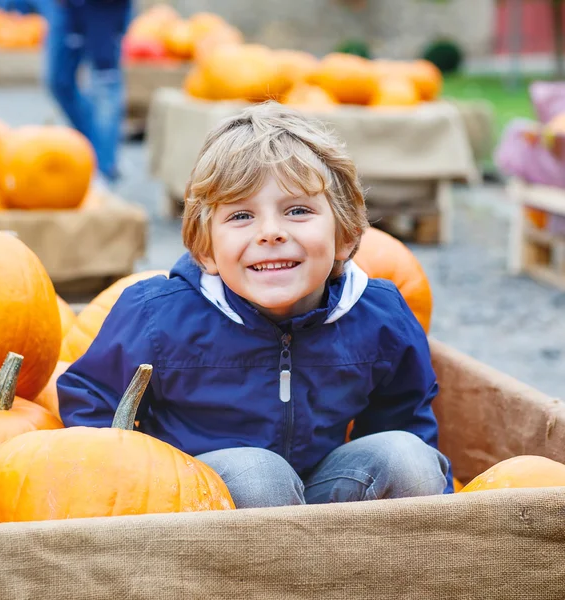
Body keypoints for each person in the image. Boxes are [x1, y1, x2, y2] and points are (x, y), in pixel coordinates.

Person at [58, 102, 452, 508]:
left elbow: (404, 415)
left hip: (320, 494)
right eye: (242, 215)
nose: (271, 232)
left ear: (347, 234)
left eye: (298, 210)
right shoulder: (159, 316)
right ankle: (275, 569)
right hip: (198, 503)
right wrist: (126, 492)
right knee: (259, 475)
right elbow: (91, 397)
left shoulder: (379, 316)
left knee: (408, 458)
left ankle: (368, 562)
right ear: (206, 249)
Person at [41, 0, 131, 184]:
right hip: (67, 7)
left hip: (105, 8)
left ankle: (103, 168)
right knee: (59, 81)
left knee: (104, 82)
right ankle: (92, 147)